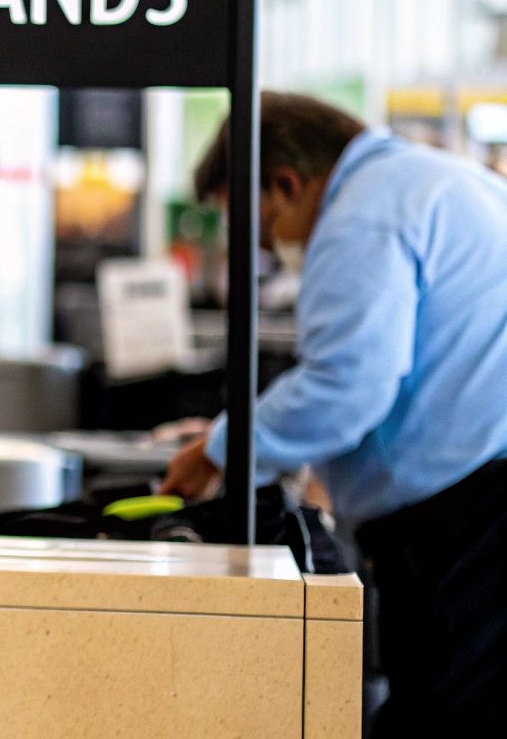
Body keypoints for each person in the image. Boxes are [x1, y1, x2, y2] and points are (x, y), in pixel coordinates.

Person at [160, 92, 507, 736]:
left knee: (447, 718)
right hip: (476, 502)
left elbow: (347, 384)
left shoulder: (361, 216)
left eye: (261, 233)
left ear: (287, 184)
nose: (270, 254)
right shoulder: (437, 179)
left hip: (476, 519)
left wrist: (220, 452)